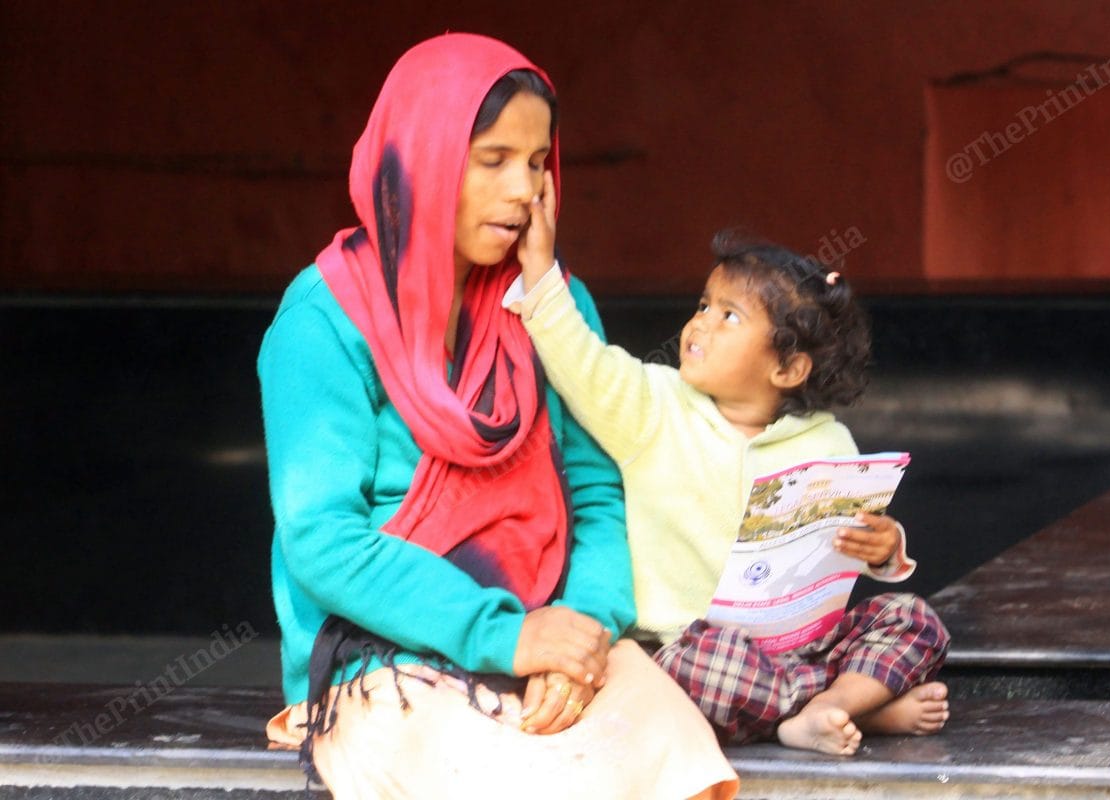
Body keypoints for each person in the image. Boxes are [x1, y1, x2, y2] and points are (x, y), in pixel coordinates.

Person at [257, 33, 739, 799]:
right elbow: (323, 540)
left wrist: (580, 634)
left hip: (550, 637)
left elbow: (594, 493)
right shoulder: (321, 325)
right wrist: (507, 637)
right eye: (493, 160)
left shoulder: (551, 305)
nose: (525, 189)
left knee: (671, 739)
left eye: (539, 162)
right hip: (386, 661)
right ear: (418, 158)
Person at [506, 195, 951, 756]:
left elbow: (850, 544)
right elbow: (580, 360)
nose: (699, 324)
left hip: (803, 646)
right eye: (703, 304)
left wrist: (884, 549)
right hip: (696, 654)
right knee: (699, 666)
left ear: (787, 368)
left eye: (729, 316)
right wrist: (541, 272)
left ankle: (819, 706)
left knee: (914, 617)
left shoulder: (828, 442)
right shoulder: (654, 407)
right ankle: (851, 706)